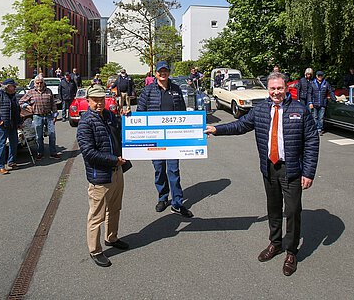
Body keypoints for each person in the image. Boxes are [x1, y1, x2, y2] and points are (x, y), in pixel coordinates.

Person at [205, 71, 319, 277]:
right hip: (269, 168)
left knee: (292, 211)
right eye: (273, 88)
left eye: (280, 88)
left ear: (286, 88)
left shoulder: (299, 110)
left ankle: (291, 252)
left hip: (292, 169)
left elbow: (312, 141)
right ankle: (275, 244)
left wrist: (309, 172)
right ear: (268, 89)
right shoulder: (260, 110)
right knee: (274, 209)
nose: (276, 92)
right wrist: (217, 129)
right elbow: (240, 125)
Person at [77, 84, 131, 267]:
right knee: (96, 216)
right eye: (95, 100)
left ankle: (112, 238)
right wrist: (113, 160)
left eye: (101, 99)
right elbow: (89, 153)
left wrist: (126, 119)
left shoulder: (109, 115)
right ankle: (95, 250)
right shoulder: (85, 122)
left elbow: (120, 132)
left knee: (115, 209)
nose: (99, 103)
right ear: (88, 101)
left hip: (117, 172)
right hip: (100, 175)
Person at [137, 61, 193, 217]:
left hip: (173, 139)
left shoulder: (176, 89)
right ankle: (163, 197)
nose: (163, 73)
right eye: (160, 71)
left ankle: (177, 203)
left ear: (169, 73)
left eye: (165, 71)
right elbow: (140, 113)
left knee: (173, 170)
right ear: (155, 73)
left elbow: (183, 113)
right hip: (155, 139)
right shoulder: (148, 90)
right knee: (159, 169)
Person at [20, 75, 60, 160]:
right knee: (39, 136)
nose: (39, 84)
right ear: (34, 83)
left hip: (49, 116)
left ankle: (53, 153)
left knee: (52, 135)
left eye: (41, 82)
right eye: (37, 83)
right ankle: (40, 153)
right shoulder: (31, 92)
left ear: (43, 82)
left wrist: (55, 115)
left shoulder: (48, 91)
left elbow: (53, 103)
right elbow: (21, 101)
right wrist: (27, 106)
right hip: (37, 116)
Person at [0, 78, 22, 175]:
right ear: (7, 87)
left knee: (14, 143)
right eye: (13, 86)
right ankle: (0, 166)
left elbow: (17, 110)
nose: (15, 87)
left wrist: (19, 122)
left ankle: (11, 162)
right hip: (3, 124)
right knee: (1, 144)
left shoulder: (13, 96)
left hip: (12, 124)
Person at [311, 71, 335, 135]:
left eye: (321, 76)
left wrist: (334, 99)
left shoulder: (326, 83)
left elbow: (330, 91)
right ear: (316, 76)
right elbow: (309, 93)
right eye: (319, 76)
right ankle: (315, 129)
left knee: (321, 117)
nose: (320, 77)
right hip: (314, 103)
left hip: (322, 103)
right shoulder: (312, 83)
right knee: (315, 117)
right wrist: (310, 102)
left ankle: (319, 129)